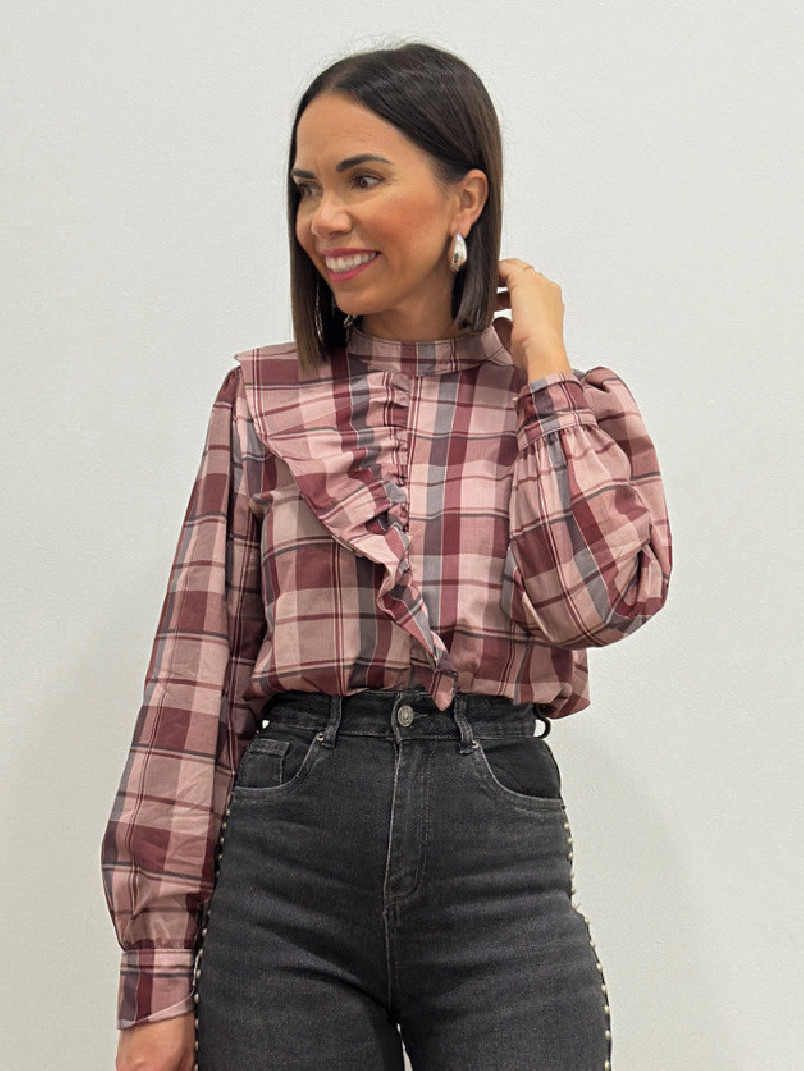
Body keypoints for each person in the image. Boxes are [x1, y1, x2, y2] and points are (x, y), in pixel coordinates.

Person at [102, 41, 672, 1071]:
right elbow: (194, 678)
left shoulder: (569, 408)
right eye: (306, 188)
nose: (324, 217)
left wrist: (546, 368)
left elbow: (595, 604)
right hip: (284, 890)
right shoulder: (263, 397)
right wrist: (154, 982)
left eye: (362, 178)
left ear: (467, 199)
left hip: (500, 886)